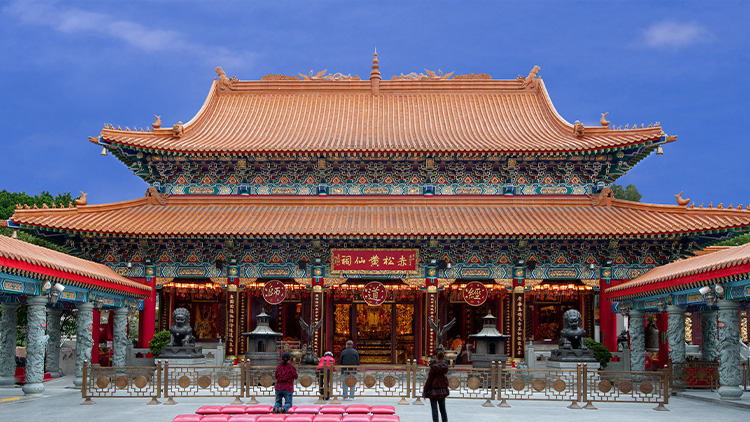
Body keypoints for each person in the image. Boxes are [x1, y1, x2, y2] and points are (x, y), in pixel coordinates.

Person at [422, 350, 449, 422]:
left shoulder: (434, 368)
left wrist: (425, 391)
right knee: (443, 409)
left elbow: (429, 380)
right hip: (442, 388)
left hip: (434, 389)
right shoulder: (445, 367)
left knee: (435, 410)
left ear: (435, 357)